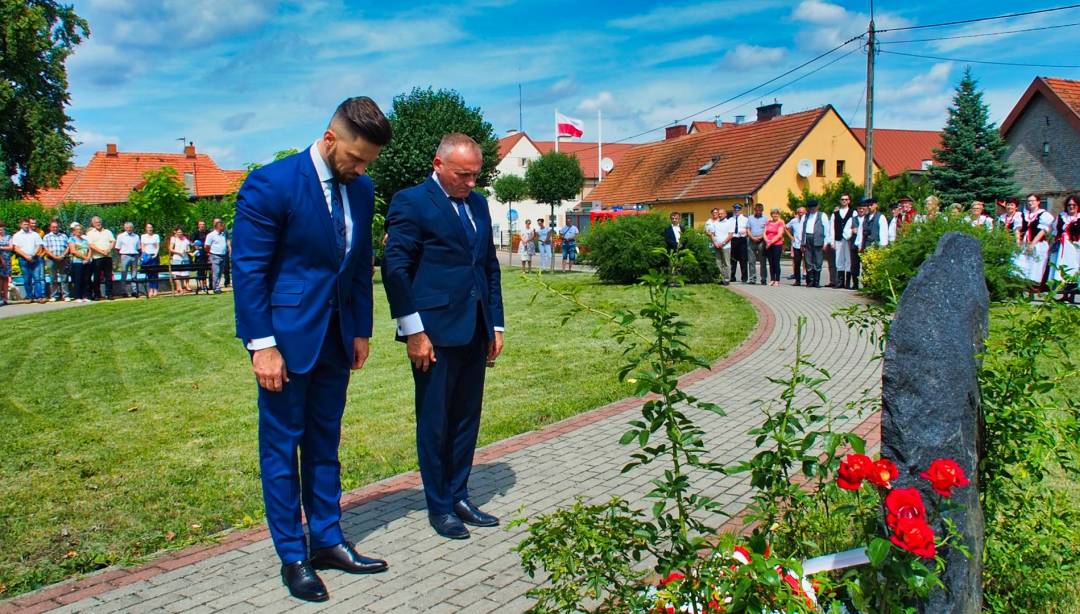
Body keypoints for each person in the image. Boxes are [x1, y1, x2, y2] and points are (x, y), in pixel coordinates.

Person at [233, 97, 392, 602]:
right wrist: (262, 346)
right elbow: (250, 272)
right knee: (281, 449)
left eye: (368, 162)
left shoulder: (361, 189)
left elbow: (361, 261)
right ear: (330, 139)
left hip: (336, 340)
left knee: (325, 443)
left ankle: (327, 538)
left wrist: (361, 328)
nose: (362, 168)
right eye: (356, 157)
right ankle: (293, 555)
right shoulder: (271, 184)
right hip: (286, 341)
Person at [384, 132, 505, 544]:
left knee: (467, 418)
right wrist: (413, 331)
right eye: (463, 175)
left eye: (475, 175)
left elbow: (488, 266)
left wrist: (496, 325)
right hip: (432, 334)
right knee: (436, 421)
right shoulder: (412, 202)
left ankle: (460, 494)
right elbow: (395, 269)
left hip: (474, 327)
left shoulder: (478, 203)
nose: (471, 183)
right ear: (438, 165)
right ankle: (439, 505)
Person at [1016, 193, 1055, 293]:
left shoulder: (1044, 215)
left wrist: (1033, 243)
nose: (1030, 203)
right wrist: (1018, 242)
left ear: (1038, 202)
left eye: (1032, 201)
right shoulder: (1023, 215)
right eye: (1028, 201)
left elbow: (1043, 231)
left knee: (1036, 265)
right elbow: (1018, 229)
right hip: (1025, 243)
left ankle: (1034, 288)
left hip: (1038, 244)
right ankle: (1022, 287)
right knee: (1023, 264)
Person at [1050, 194, 1079, 302]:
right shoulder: (1061, 216)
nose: (1071, 207)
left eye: (1074, 205)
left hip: (1075, 247)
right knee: (1062, 268)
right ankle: (1065, 294)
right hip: (1063, 246)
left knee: (1074, 268)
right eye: (1069, 205)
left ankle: (1073, 295)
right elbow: (1055, 232)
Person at [12, 218, 46, 302]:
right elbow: (16, 248)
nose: (26, 226)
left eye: (27, 224)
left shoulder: (34, 234)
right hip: (23, 259)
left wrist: (33, 255)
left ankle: (39, 297)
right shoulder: (17, 235)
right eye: (24, 224)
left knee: (37, 278)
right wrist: (26, 256)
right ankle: (29, 296)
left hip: (35, 258)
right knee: (27, 279)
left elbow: (39, 246)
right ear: (20, 225)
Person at [801, 200, 831, 288]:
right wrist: (802, 242)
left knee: (818, 260)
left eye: (814, 207)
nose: (812, 209)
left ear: (817, 207)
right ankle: (810, 281)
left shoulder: (822, 215)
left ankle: (816, 281)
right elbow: (802, 230)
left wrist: (826, 242)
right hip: (808, 239)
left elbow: (826, 229)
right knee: (808, 260)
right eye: (810, 207)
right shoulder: (805, 216)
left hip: (818, 239)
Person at [85, 216, 115, 300]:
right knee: (97, 277)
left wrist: (108, 250)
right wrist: (102, 252)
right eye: (96, 222)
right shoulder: (90, 233)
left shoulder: (108, 231)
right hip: (97, 257)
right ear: (93, 224)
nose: (98, 224)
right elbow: (91, 245)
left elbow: (113, 241)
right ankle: (97, 295)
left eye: (99, 222)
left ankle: (109, 294)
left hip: (108, 256)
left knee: (108, 276)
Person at [42, 220, 70, 301]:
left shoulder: (64, 236)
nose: (55, 228)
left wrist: (63, 255)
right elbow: (46, 249)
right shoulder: (46, 237)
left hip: (63, 259)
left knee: (64, 277)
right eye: (53, 227)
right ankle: (54, 296)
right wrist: (54, 256)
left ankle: (66, 295)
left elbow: (68, 247)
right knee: (53, 278)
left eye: (56, 227)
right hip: (51, 259)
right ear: (50, 228)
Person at [830, 194, 854, 289]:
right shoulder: (835, 214)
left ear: (849, 201)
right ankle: (840, 282)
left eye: (846, 199)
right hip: (838, 238)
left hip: (848, 240)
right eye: (842, 199)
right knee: (839, 260)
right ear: (840, 201)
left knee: (848, 259)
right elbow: (832, 229)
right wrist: (832, 242)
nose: (844, 201)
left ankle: (847, 283)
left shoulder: (853, 212)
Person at [845, 200, 869, 290]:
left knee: (866, 266)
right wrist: (851, 231)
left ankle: (866, 285)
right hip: (854, 246)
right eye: (859, 209)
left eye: (863, 208)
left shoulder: (868, 219)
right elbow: (845, 231)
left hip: (865, 245)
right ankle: (855, 284)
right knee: (854, 266)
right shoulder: (852, 219)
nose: (861, 210)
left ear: (866, 209)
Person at [704, 208, 732, 285]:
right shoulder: (715, 223)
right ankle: (723, 278)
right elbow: (712, 234)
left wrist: (722, 243)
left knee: (726, 263)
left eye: (721, 213)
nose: (720, 215)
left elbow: (730, 235)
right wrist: (715, 243)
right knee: (718, 263)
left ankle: (727, 279)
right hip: (717, 246)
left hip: (726, 246)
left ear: (725, 214)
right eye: (719, 213)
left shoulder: (729, 222)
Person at [116, 221, 141, 298]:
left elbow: (138, 248)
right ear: (125, 228)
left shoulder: (136, 236)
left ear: (132, 228)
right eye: (127, 227)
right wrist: (121, 256)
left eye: (130, 227)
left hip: (134, 256)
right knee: (124, 275)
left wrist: (138, 256)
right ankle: (124, 292)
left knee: (134, 275)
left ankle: (135, 291)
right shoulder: (120, 236)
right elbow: (117, 248)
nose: (129, 229)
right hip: (125, 255)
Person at [763, 208, 788, 286]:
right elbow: (764, 232)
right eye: (773, 213)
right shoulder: (768, 222)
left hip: (777, 244)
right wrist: (767, 241)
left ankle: (777, 280)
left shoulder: (781, 222)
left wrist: (770, 242)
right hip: (768, 244)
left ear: (778, 214)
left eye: (776, 213)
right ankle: (772, 279)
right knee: (770, 263)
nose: (775, 215)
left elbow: (779, 234)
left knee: (776, 262)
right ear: (771, 214)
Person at [67, 224, 92, 302]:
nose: (79, 231)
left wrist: (87, 258)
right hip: (77, 262)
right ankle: (78, 296)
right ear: (74, 231)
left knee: (86, 279)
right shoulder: (72, 239)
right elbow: (73, 251)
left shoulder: (85, 240)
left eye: (80, 229)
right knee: (78, 280)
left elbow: (89, 249)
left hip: (86, 262)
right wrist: (85, 258)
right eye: (77, 229)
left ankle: (85, 296)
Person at [205, 219, 230, 293]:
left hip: (223, 255)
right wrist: (210, 252)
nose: (223, 228)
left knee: (220, 273)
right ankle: (215, 288)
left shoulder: (223, 234)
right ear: (217, 227)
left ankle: (217, 286)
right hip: (215, 256)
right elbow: (206, 246)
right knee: (216, 272)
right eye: (221, 226)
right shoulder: (211, 235)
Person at [746, 203, 767, 285]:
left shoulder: (765, 218)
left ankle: (763, 278)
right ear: (754, 210)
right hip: (751, 240)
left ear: (762, 210)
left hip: (761, 240)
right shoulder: (750, 218)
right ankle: (752, 278)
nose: (758, 212)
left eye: (760, 210)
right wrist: (752, 237)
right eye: (757, 210)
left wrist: (761, 237)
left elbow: (766, 230)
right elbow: (748, 229)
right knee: (751, 261)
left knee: (763, 261)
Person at [168, 226, 191, 295]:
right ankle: (179, 288)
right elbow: (171, 249)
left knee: (186, 273)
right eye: (178, 232)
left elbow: (189, 249)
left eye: (181, 232)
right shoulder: (173, 239)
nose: (180, 233)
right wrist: (178, 252)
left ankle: (187, 286)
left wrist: (186, 251)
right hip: (177, 258)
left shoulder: (185, 239)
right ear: (176, 232)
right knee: (177, 274)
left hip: (185, 258)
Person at [729, 204, 749, 283]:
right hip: (733, 239)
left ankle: (744, 278)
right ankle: (732, 276)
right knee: (732, 260)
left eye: (738, 210)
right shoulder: (730, 219)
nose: (736, 211)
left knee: (743, 259)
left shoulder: (745, 219)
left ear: (741, 210)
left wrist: (746, 231)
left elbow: (749, 229)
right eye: (735, 210)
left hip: (742, 239)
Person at [787, 206, 806, 286]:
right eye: (799, 212)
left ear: (805, 212)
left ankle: (809, 280)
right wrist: (791, 236)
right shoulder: (794, 221)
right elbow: (786, 227)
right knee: (797, 263)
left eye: (802, 212)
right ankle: (797, 281)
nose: (800, 214)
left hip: (806, 245)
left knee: (807, 263)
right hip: (796, 245)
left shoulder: (807, 220)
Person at [141, 223, 161, 298]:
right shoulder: (143, 236)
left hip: (154, 256)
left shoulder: (156, 236)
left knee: (155, 273)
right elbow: (142, 246)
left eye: (151, 227)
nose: (150, 229)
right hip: (147, 256)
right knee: (149, 274)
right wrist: (145, 255)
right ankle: (150, 289)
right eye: (148, 227)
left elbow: (157, 246)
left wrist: (155, 254)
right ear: (146, 228)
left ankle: (155, 289)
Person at [0, 222, 12, 305]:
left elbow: (11, 247)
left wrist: (1, 247)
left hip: (7, 259)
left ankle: (5, 298)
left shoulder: (8, 237)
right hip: (0, 261)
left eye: (2, 228)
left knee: (5, 279)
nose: (0, 230)